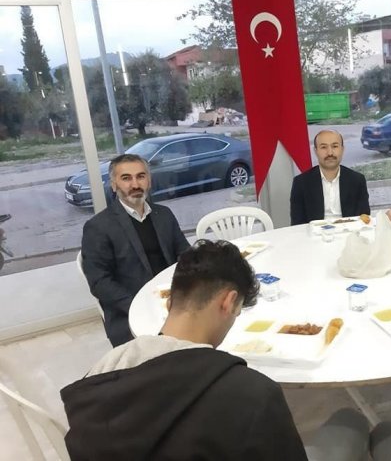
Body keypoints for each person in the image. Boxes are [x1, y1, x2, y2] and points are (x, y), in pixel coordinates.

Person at [61, 240, 309, 460]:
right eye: (238, 311)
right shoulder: (254, 395)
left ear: (170, 301)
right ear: (229, 302)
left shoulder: (101, 373)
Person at [81, 153, 189, 347]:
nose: (135, 184)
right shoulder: (98, 227)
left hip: (175, 300)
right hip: (130, 310)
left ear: (149, 181)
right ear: (114, 185)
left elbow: (186, 255)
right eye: (126, 178)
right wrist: (140, 305)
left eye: (141, 176)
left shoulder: (164, 214)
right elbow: (99, 282)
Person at [290, 129, 370, 225]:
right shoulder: (301, 182)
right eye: (323, 147)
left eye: (335, 146)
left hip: (349, 231)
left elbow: (364, 218)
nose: (330, 153)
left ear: (342, 149)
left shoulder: (357, 180)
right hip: (314, 233)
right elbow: (297, 223)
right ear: (316, 151)